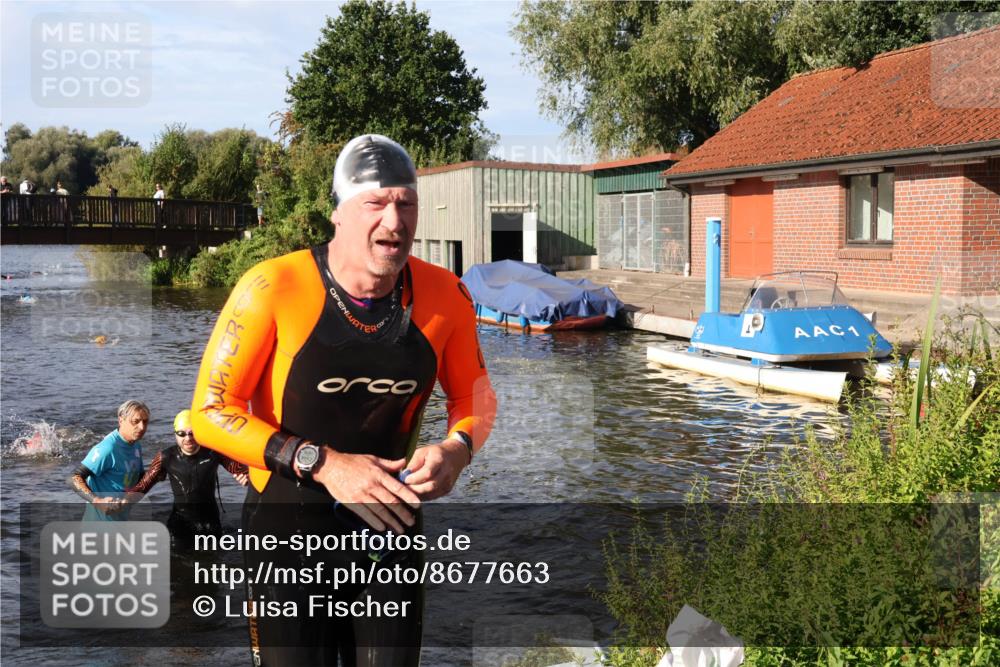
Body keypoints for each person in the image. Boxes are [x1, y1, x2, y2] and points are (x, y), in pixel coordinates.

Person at [190, 134, 497, 666]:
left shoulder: (448, 295)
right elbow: (211, 413)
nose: (394, 221)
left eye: (406, 203)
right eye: (375, 203)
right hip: (286, 538)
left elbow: (476, 398)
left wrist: (458, 450)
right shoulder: (271, 287)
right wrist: (325, 464)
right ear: (339, 213)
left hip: (390, 538)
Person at [125, 410, 249, 546]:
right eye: (181, 433)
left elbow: (241, 469)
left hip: (210, 521)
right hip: (180, 522)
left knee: (213, 561)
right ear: (175, 434)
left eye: (192, 433)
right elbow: (143, 486)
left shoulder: (214, 452)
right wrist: (123, 501)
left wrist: (248, 477)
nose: (188, 438)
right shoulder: (165, 457)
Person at [68, 400, 149, 521]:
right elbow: (74, 477)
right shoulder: (108, 448)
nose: (142, 427)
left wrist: (157, 472)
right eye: (135, 422)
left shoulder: (136, 445)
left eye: (145, 421)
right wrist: (97, 501)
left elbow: (139, 478)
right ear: (121, 420)